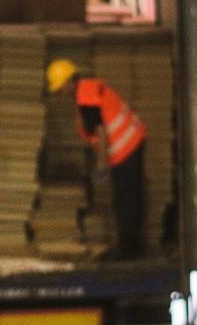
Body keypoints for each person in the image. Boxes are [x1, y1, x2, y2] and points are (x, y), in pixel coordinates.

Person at [46, 59, 146, 260]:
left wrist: (101, 165)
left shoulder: (85, 97)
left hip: (125, 148)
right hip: (131, 142)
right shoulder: (88, 90)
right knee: (127, 197)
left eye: (60, 88)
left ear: (69, 82)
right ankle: (130, 246)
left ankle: (127, 250)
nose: (60, 94)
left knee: (125, 198)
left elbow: (100, 131)